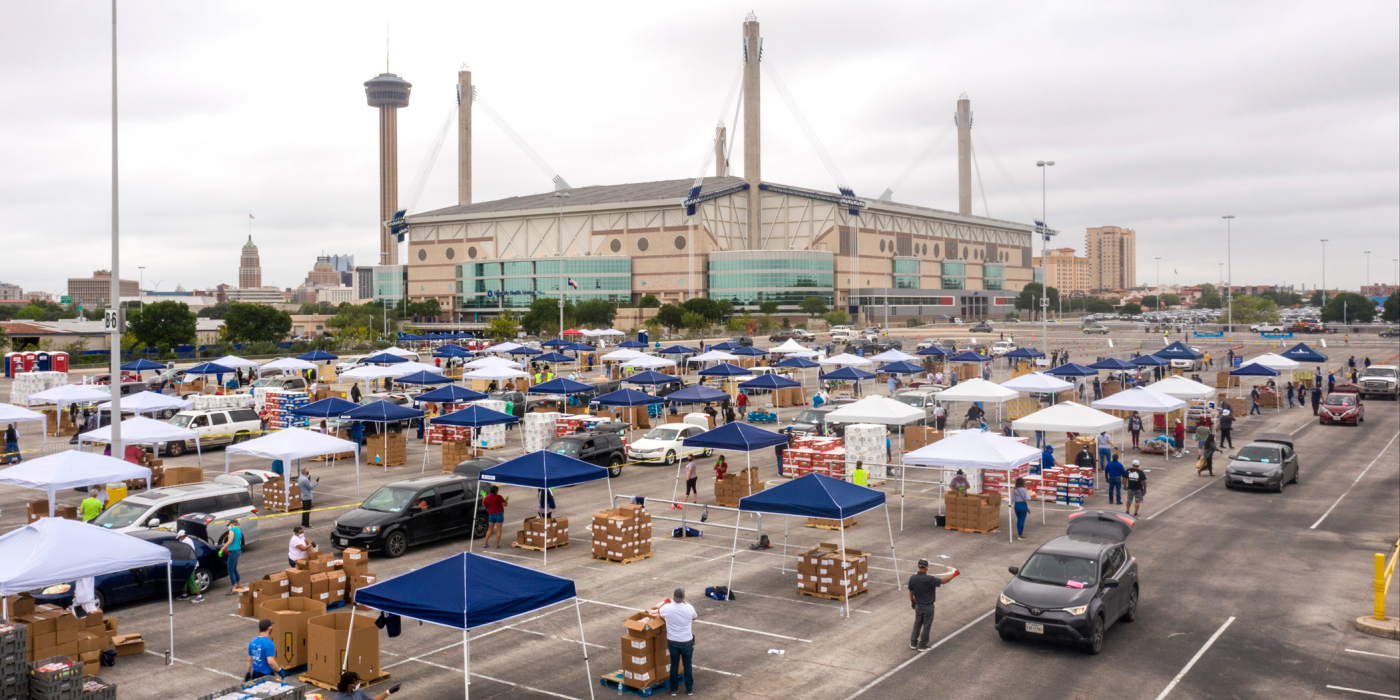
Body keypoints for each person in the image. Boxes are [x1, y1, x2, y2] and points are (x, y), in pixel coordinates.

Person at [907, 559, 959, 651]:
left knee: (917, 623)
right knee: (926, 625)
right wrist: (954, 575)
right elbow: (943, 581)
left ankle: (913, 643)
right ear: (926, 567)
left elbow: (911, 591)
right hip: (928, 606)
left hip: (918, 605)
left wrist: (912, 601)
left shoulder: (913, 578)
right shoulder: (929, 579)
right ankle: (922, 645)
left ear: (918, 566)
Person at [659, 588, 698, 696]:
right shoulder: (689, 608)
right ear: (683, 597)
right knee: (687, 665)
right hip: (686, 640)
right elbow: (694, 617)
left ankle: (674, 689)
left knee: (674, 664)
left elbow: (660, 612)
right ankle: (689, 689)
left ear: (673, 596)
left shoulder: (667, 608)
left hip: (673, 640)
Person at [174, 531, 204, 603]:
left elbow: (182, 552)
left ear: (182, 536)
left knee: (191, 579)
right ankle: (184, 594)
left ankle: (199, 596)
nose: (179, 538)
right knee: (185, 578)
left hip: (190, 563)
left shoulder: (186, 541)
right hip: (188, 562)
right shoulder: (187, 540)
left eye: (179, 537)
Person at [332, 671, 399, 700]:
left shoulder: (359, 692)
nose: (358, 683)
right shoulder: (338, 699)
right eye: (356, 682)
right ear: (349, 685)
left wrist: (389, 692)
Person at [221, 519, 245, 593]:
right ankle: (239, 584)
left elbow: (230, 541)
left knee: (230, 570)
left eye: (229, 525)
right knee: (234, 568)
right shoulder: (238, 530)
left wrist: (222, 549)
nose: (229, 526)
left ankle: (234, 587)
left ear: (232, 524)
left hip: (233, 552)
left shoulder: (232, 531)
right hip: (238, 551)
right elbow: (239, 542)